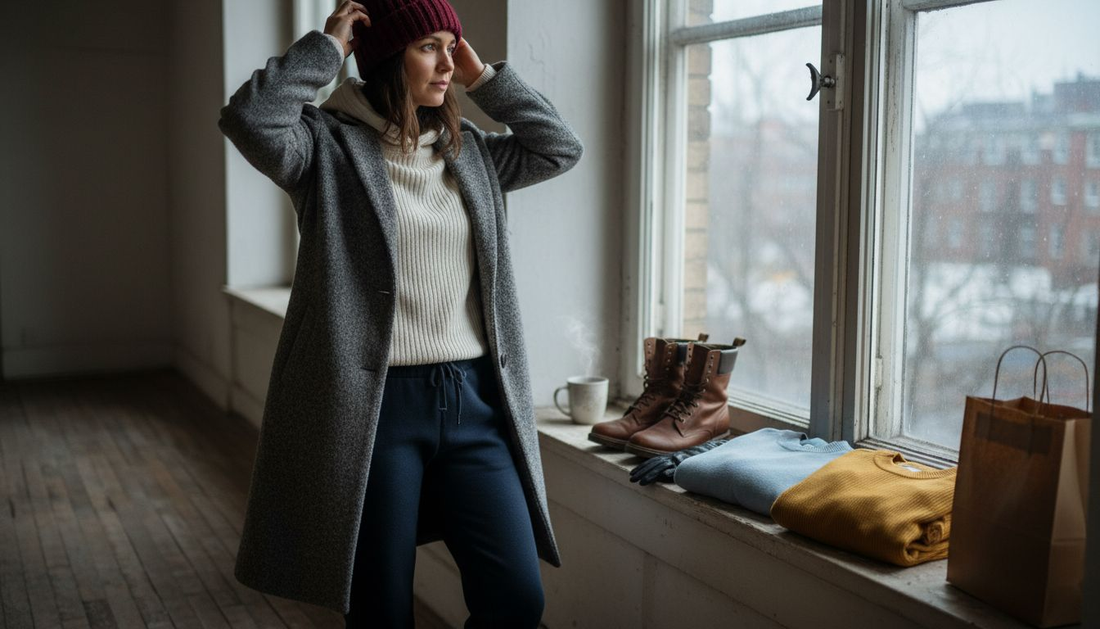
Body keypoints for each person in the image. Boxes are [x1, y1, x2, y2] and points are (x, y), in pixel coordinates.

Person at [217, 0, 584, 627]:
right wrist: (328, 49)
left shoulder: (474, 155)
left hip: (475, 404)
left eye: (452, 44)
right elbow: (250, 118)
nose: (447, 62)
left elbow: (559, 148)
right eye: (429, 47)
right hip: (375, 408)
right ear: (388, 57)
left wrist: (484, 79)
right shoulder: (323, 150)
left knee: (517, 599)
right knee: (381, 608)